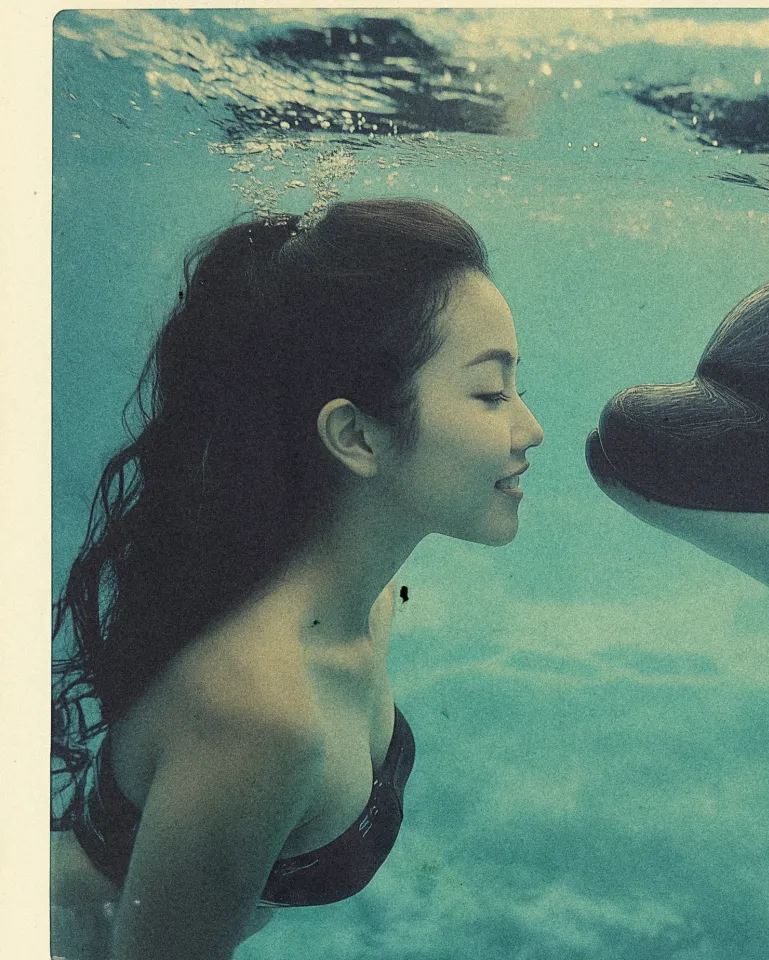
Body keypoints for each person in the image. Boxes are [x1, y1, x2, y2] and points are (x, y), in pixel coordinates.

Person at [49, 198, 544, 960]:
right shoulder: (262, 716)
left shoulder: (365, 601)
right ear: (355, 436)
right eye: (490, 392)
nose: (529, 428)